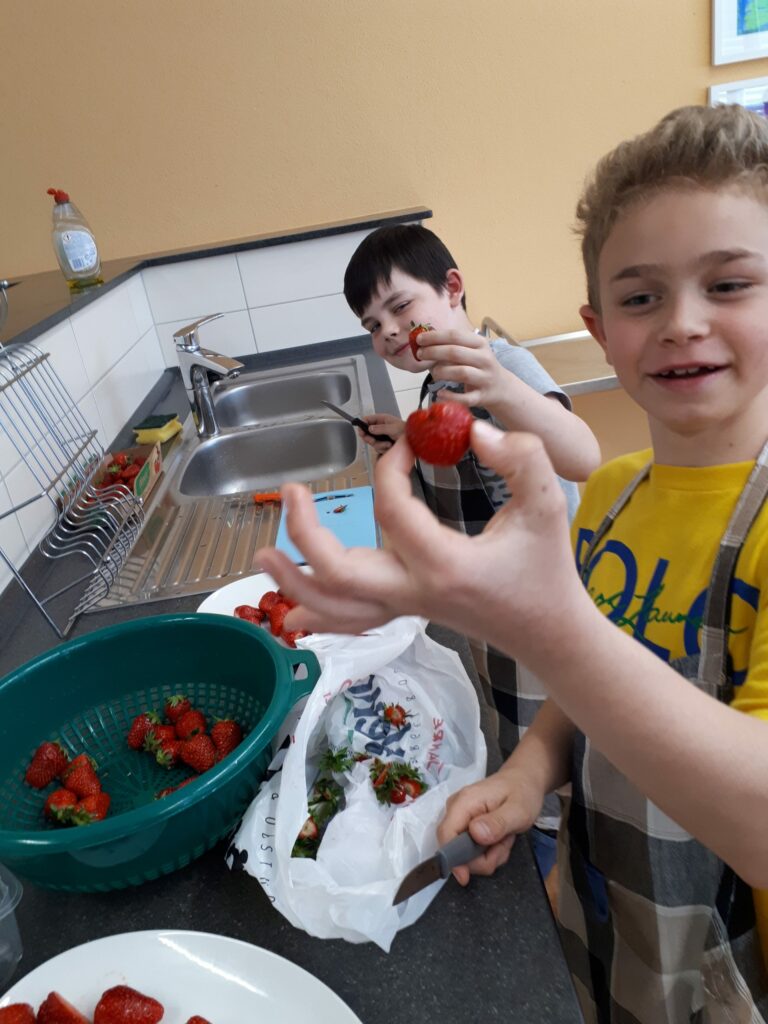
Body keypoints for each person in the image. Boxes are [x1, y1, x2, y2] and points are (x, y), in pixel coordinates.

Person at [258, 104, 768, 1022]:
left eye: (729, 284)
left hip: (728, 959)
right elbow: (592, 694)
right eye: (642, 297)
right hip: (612, 912)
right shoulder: (617, 497)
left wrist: (544, 623)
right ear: (602, 325)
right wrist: (533, 769)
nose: (683, 323)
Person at [342, 224, 601, 878]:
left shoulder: (499, 365)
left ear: (452, 288)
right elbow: (460, 449)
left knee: (547, 743)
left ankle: (556, 845)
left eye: (401, 309)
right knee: (504, 715)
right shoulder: (437, 382)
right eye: (374, 326)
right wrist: (410, 434)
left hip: (541, 611)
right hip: (489, 612)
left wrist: (499, 385)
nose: (391, 334)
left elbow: (581, 454)